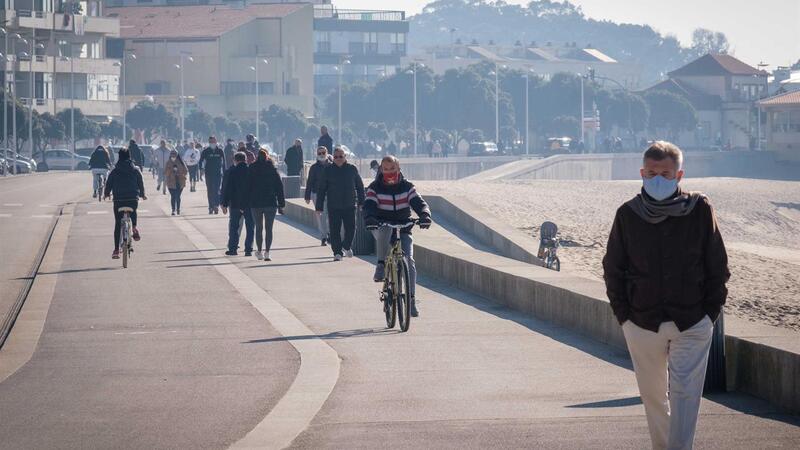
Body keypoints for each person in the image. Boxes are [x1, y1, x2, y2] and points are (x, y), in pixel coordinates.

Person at [602, 141, 729, 450]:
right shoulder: (628, 214)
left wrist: (709, 313)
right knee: (653, 396)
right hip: (642, 321)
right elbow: (613, 267)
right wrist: (625, 316)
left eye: (666, 173)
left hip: (692, 319)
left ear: (679, 175)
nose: (658, 179)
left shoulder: (699, 210)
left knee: (686, 394)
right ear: (642, 173)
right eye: (652, 172)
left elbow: (717, 263)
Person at [364, 156, 431, 317]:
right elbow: (369, 206)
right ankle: (381, 265)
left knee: (409, 260)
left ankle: (411, 300)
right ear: (381, 170)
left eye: (392, 169)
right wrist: (370, 218)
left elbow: (419, 203)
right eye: (385, 169)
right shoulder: (375, 187)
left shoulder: (407, 187)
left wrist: (424, 215)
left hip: (404, 226)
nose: (389, 172)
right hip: (384, 223)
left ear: (398, 169)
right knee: (383, 233)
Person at [315, 146, 365, 261]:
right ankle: (337, 252)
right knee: (334, 230)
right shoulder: (328, 170)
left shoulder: (352, 169)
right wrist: (319, 207)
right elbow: (321, 189)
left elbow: (360, 186)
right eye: (336, 156)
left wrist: (362, 202)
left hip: (350, 204)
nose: (338, 158)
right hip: (333, 206)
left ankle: (346, 246)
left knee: (351, 228)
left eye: (340, 156)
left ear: (345, 157)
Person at [104, 148, 146, 259]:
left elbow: (109, 183)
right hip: (132, 199)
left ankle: (116, 250)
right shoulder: (135, 169)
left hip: (118, 200)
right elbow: (140, 182)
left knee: (118, 223)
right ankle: (135, 228)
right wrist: (142, 194)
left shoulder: (115, 170)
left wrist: (106, 194)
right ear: (129, 156)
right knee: (133, 210)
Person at [247, 150, 286, 262]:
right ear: (267, 157)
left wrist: (246, 202)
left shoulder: (252, 168)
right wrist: (281, 203)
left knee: (258, 228)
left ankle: (259, 251)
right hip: (270, 203)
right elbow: (279, 187)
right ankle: (267, 252)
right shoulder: (273, 170)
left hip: (256, 203)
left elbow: (247, 187)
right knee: (269, 229)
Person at [221, 152, 254, 256]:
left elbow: (227, 188)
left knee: (234, 227)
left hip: (235, 204)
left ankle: (233, 249)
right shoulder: (251, 171)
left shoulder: (231, 171)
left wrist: (224, 203)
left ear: (235, 160)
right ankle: (248, 249)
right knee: (250, 227)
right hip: (249, 204)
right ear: (245, 160)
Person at [305, 146, 332, 246]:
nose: (321, 155)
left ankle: (329, 233)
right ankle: (323, 237)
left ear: (327, 153)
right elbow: (310, 181)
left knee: (330, 215)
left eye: (323, 153)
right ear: (317, 154)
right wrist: (307, 196)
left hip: (330, 194)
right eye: (319, 153)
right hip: (316, 194)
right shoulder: (314, 167)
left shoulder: (332, 166)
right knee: (320, 216)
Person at [200, 136, 226, 214]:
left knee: (217, 190)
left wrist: (225, 173)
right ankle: (211, 206)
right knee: (210, 190)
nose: (212, 143)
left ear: (216, 141)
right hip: (208, 174)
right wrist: (201, 170)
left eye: (213, 142)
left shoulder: (220, 151)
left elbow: (224, 162)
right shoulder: (206, 151)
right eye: (211, 142)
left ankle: (216, 205)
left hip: (218, 174)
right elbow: (201, 161)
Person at [164, 149, 188, 215]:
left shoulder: (181, 162)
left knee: (178, 196)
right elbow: (165, 173)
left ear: (177, 155)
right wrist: (170, 170)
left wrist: (180, 173)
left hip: (180, 182)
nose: (173, 156)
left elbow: (186, 171)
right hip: (171, 183)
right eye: (172, 155)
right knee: (173, 196)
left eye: (174, 155)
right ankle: (173, 210)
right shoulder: (168, 162)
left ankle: (178, 209)